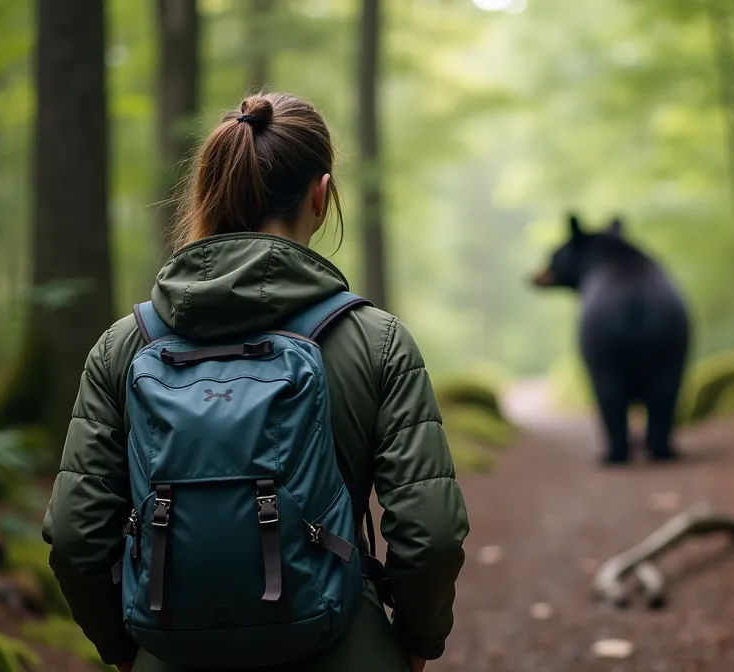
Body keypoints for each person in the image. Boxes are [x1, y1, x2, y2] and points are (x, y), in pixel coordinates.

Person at [41, 92, 470, 672]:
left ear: (210, 192)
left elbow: (75, 536)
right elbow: (432, 533)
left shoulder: (125, 346)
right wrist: (418, 642)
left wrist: (125, 651)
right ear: (321, 195)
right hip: (340, 644)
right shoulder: (377, 340)